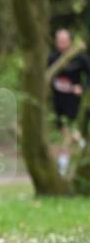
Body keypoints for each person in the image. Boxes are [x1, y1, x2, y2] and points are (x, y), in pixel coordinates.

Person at [48, 28, 90, 173]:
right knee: (64, 129)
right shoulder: (52, 58)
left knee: (68, 129)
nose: (62, 44)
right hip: (58, 100)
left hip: (74, 100)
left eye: (65, 41)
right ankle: (82, 144)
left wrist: (82, 88)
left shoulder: (80, 58)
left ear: (70, 41)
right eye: (59, 41)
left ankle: (63, 162)